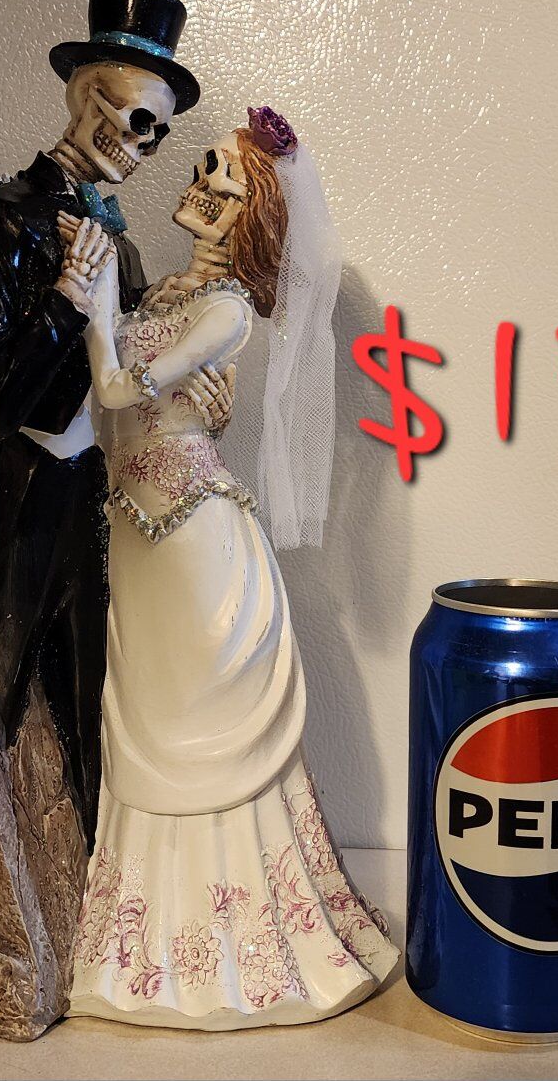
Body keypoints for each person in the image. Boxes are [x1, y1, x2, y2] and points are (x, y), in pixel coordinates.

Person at [64, 107, 399, 1029]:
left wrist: (95, 314)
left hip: (194, 542)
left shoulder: (224, 311)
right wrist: (112, 310)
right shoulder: (167, 295)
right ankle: (144, 942)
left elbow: (116, 390)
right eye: (204, 168)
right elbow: (113, 415)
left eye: (227, 181)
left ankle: (238, 944)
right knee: (145, 713)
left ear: (253, 217)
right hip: (138, 533)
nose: (203, 185)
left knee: (190, 719)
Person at [0, 0, 231, 849]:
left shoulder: (124, 245)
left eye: (157, 133)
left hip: (92, 502)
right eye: (132, 119)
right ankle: (13, 889)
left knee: (95, 702)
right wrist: (64, 304)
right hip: (16, 501)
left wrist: (194, 390)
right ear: (83, 97)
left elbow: (127, 379)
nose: (140, 146)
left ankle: (96, 893)